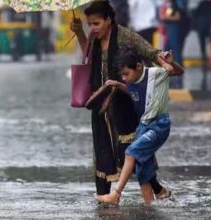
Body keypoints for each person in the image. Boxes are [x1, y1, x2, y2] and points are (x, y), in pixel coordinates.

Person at [70, 1, 172, 200]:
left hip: (123, 100)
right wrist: (80, 33)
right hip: (100, 101)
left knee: (133, 149)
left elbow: (149, 51)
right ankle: (104, 198)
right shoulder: (93, 38)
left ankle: (157, 189)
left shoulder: (125, 35)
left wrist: (163, 58)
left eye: (96, 23)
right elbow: (89, 57)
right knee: (102, 149)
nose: (93, 28)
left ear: (109, 20)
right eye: (89, 24)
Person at [95, 47, 184, 205]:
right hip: (143, 126)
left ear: (138, 66)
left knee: (131, 152)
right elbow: (132, 92)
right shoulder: (132, 81)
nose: (124, 78)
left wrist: (170, 63)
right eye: (122, 75)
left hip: (158, 125)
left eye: (126, 74)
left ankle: (116, 194)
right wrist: (117, 84)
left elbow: (177, 71)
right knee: (141, 168)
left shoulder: (155, 74)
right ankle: (150, 205)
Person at [160, 0, 184, 88]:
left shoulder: (174, 5)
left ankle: (178, 70)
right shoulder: (165, 5)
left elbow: (177, 17)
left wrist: (166, 17)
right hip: (168, 30)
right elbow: (161, 16)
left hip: (174, 29)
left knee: (175, 50)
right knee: (166, 49)